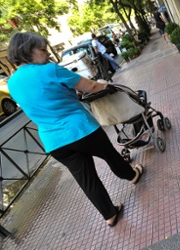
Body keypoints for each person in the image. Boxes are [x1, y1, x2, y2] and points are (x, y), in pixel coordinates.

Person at [7, 32, 143, 227]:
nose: (47, 53)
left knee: (86, 179)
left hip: (54, 142)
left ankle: (110, 214)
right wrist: (104, 84)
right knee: (110, 156)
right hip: (81, 130)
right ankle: (132, 175)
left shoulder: (12, 83)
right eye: (43, 49)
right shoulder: (50, 70)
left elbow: (44, 98)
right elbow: (91, 86)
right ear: (27, 52)